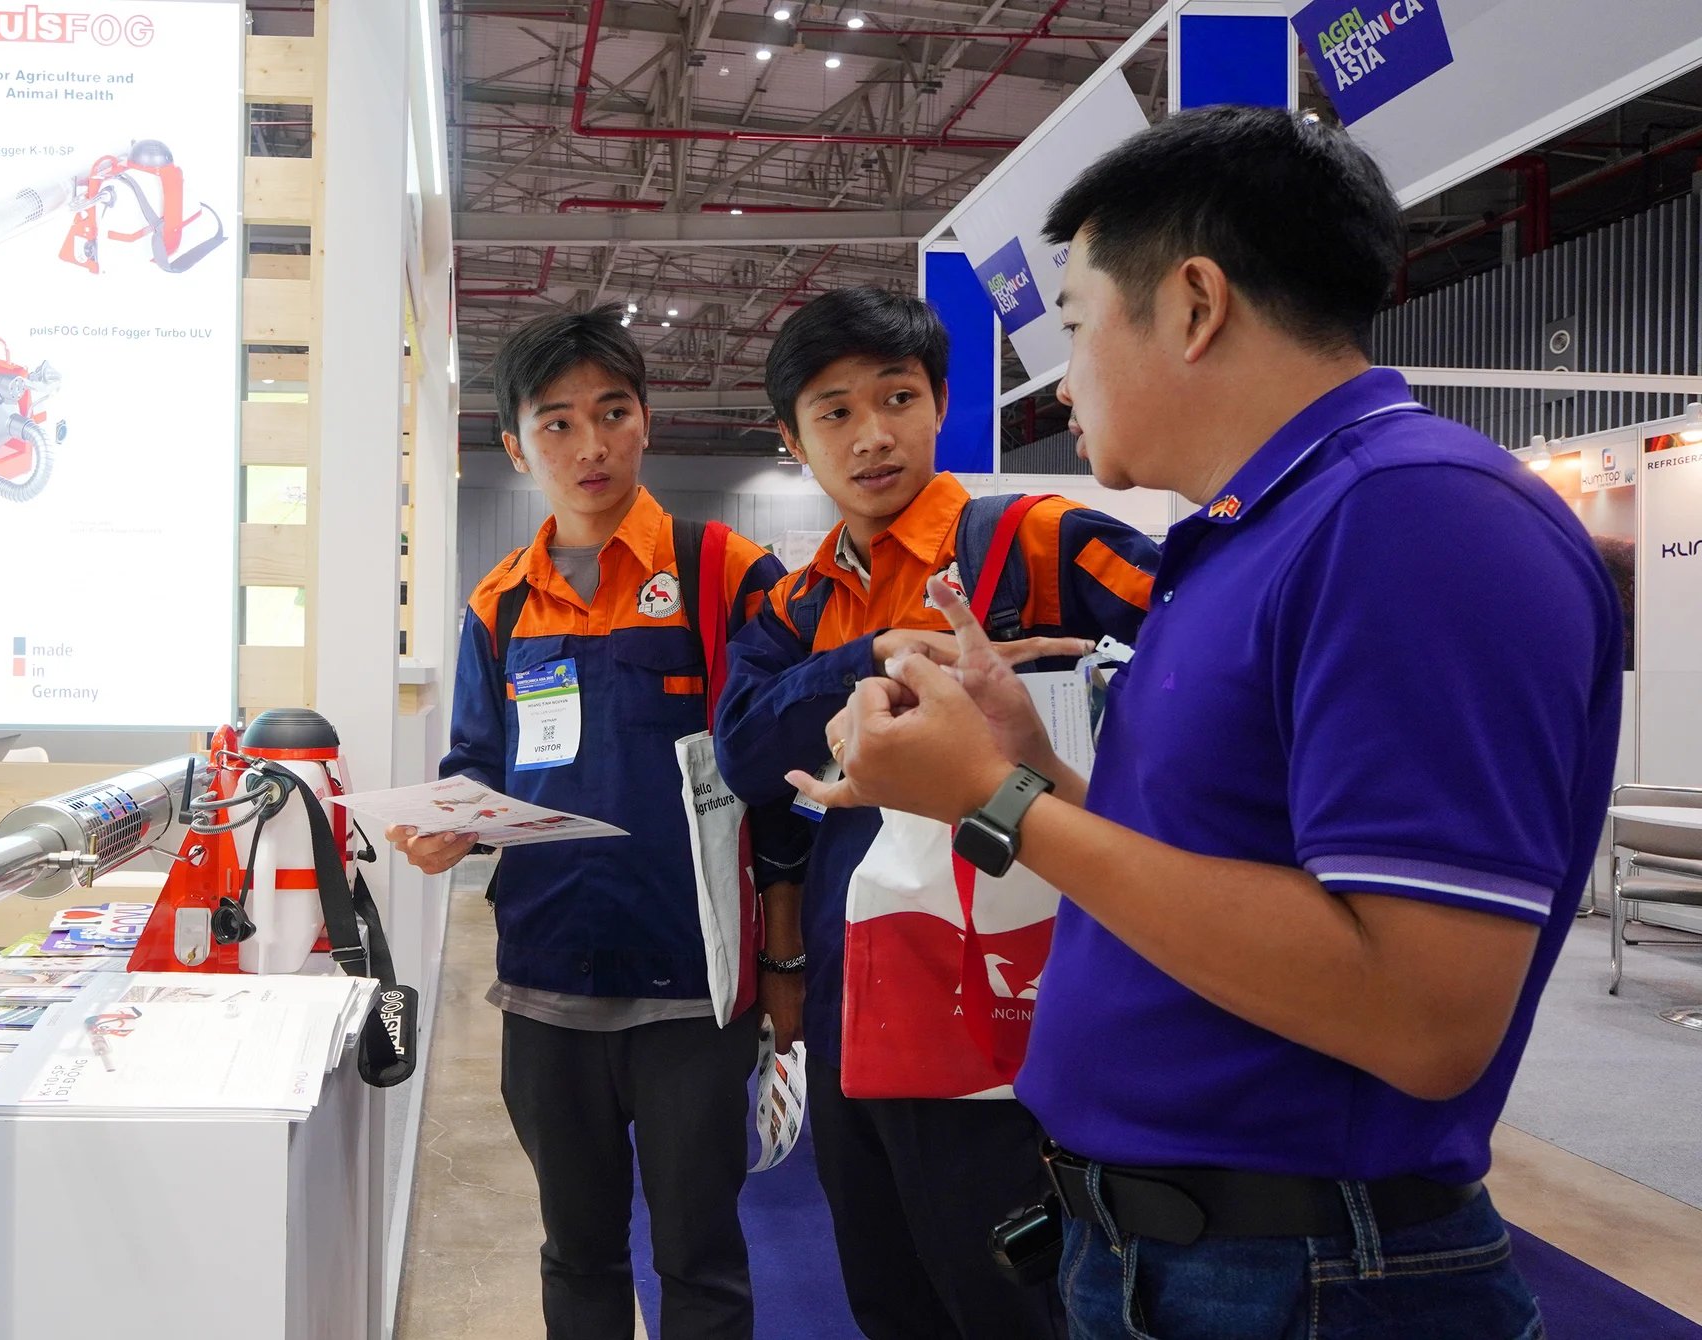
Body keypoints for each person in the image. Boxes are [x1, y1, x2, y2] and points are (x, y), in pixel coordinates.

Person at [792, 107, 1623, 1340]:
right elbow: (1217, 877)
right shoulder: (1253, 535)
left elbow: (1421, 1010)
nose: (1062, 382)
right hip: (1173, 1255)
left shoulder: (1414, 519)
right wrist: (1035, 766)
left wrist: (996, 800)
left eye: (1073, 328)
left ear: (1192, 304)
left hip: (1301, 1273)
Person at [713, 286, 1158, 1339]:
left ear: (942, 403)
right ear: (794, 437)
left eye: (897, 397)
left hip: (1022, 995)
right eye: (834, 412)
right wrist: (869, 657)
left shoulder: (1033, 543)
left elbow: (1210, 641)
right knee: (887, 1284)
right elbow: (743, 748)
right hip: (856, 998)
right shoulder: (794, 602)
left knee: (1018, 1293)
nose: (872, 436)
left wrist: (1096, 687)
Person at [385, 305, 801, 1340]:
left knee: (701, 1257)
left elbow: (783, 777)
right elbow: (478, 763)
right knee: (577, 1251)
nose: (592, 444)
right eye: (559, 422)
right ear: (515, 444)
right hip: (545, 984)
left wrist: (786, 965)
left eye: (613, 412)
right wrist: (450, 825)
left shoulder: (726, 573)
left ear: (646, 421)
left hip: (689, 992)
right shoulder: (501, 606)